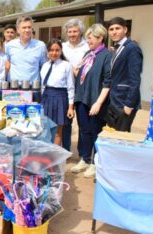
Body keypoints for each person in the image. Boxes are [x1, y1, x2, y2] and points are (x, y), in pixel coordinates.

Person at [70, 24, 111, 178]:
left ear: (100, 38)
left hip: (95, 101)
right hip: (82, 98)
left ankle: (95, 162)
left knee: (96, 132)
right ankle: (85, 159)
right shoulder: (88, 53)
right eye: (87, 38)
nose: (88, 41)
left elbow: (108, 81)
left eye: (90, 38)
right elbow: (81, 73)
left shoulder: (107, 55)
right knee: (84, 131)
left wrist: (98, 102)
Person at [106, 17, 143, 132]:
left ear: (125, 30)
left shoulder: (132, 48)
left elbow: (135, 79)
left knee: (120, 138)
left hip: (124, 103)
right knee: (112, 135)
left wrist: (129, 105)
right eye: (111, 29)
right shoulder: (117, 48)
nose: (114, 31)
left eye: (117, 28)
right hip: (114, 100)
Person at [62, 18, 90, 152]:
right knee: (66, 122)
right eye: (70, 31)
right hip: (65, 89)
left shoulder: (87, 46)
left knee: (82, 123)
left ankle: (82, 153)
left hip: (82, 88)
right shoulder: (62, 47)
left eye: (75, 31)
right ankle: (66, 149)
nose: (72, 34)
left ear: (80, 32)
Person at [40, 39, 75, 146]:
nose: (54, 53)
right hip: (46, 98)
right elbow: (42, 85)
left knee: (57, 131)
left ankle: (54, 156)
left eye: (57, 50)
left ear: (61, 51)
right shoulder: (45, 65)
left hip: (60, 98)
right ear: (47, 51)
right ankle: (47, 153)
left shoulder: (66, 65)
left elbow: (71, 87)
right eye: (51, 50)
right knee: (45, 129)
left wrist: (70, 107)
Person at [5, 16, 47, 83]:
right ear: (18, 29)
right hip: (13, 88)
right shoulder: (9, 46)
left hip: (33, 88)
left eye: (29, 27)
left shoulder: (40, 46)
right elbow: (6, 66)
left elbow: (44, 68)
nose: (27, 30)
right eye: (24, 28)